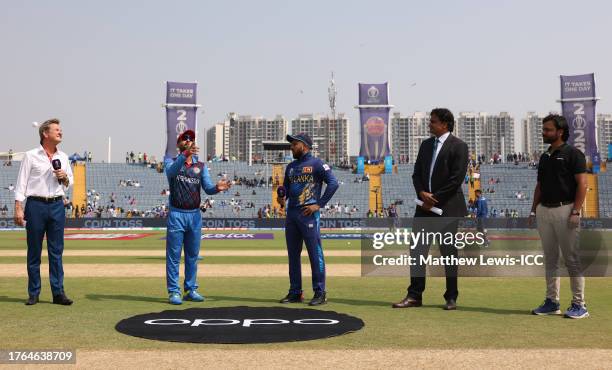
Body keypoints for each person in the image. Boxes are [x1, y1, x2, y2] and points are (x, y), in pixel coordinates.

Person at [393, 108, 468, 310]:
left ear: (445, 124)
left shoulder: (459, 146)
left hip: (447, 208)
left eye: (433, 121)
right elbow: (416, 174)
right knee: (417, 251)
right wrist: (422, 194)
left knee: (448, 253)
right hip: (424, 208)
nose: (429, 124)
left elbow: (456, 179)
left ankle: (451, 297)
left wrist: (434, 198)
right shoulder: (426, 145)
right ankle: (415, 295)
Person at [529, 114, 589, 319]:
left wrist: (575, 211)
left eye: (547, 129)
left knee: (571, 259)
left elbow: (583, 184)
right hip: (544, 210)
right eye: (543, 129)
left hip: (566, 210)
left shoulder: (574, 154)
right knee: (551, 259)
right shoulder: (545, 156)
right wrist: (533, 208)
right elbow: (540, 185)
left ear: (560, 132)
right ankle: (552, 301)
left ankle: (579, 304)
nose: (543, 133)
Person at [164, 130, 231, 305]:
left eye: (191, 140)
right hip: (177, 214)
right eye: (185, 140)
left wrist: (217, 188)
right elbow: (171, 173)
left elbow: (208, 188)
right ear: (179, 144)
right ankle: (173, 292)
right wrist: (184, 155)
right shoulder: (170, 161)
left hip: (194, 215)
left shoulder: (201, 166)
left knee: (192, 256)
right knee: (174, 256)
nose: (189, 141)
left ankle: (191, 289)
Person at [14, 118, 74, 306]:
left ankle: (58, 293)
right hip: (35, 206)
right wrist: (18, 207)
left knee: (56, 252)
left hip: (57, 205)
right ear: (45, 134)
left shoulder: (63, 157)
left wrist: (64, 178)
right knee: (34, 251)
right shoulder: (31, 155)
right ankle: (34, 293)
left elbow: (70, 182)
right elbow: (21, 182)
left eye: (60, 129)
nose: (60, 132)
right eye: (56, 129)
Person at [278, 133, 339, 306]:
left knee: (315, 253)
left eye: (294, 144)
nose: (291, 147)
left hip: (308, 214)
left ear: (304, 146)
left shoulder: (317, 164)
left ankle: (320, 292)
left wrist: (318, 204)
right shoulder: (290, 167)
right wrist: (281, 198)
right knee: (293, 255)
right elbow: (286, 190)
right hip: (292, 214)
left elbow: (333, 183)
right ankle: (295, 292)